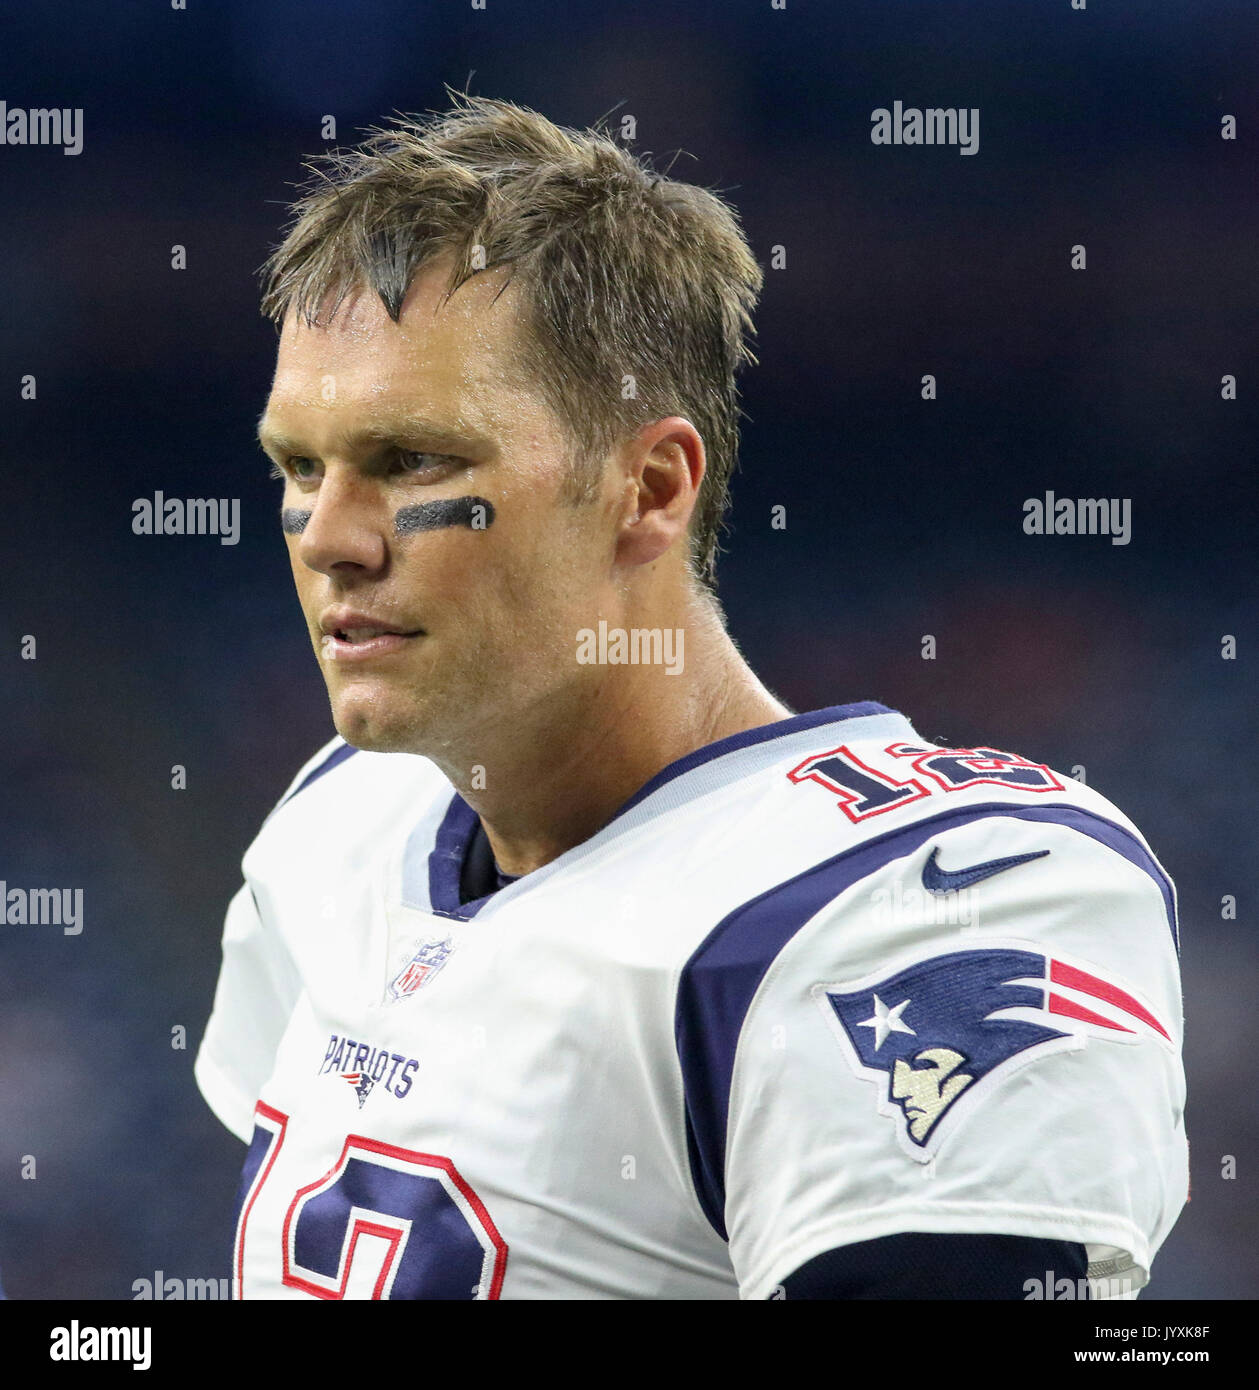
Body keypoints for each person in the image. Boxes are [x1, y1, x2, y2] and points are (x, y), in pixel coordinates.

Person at [195, 94, 1187, 1299]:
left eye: (415, 462)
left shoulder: (913, 908)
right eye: (299, 466)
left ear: (648, 488)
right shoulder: (342, 825)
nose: (329, 537)